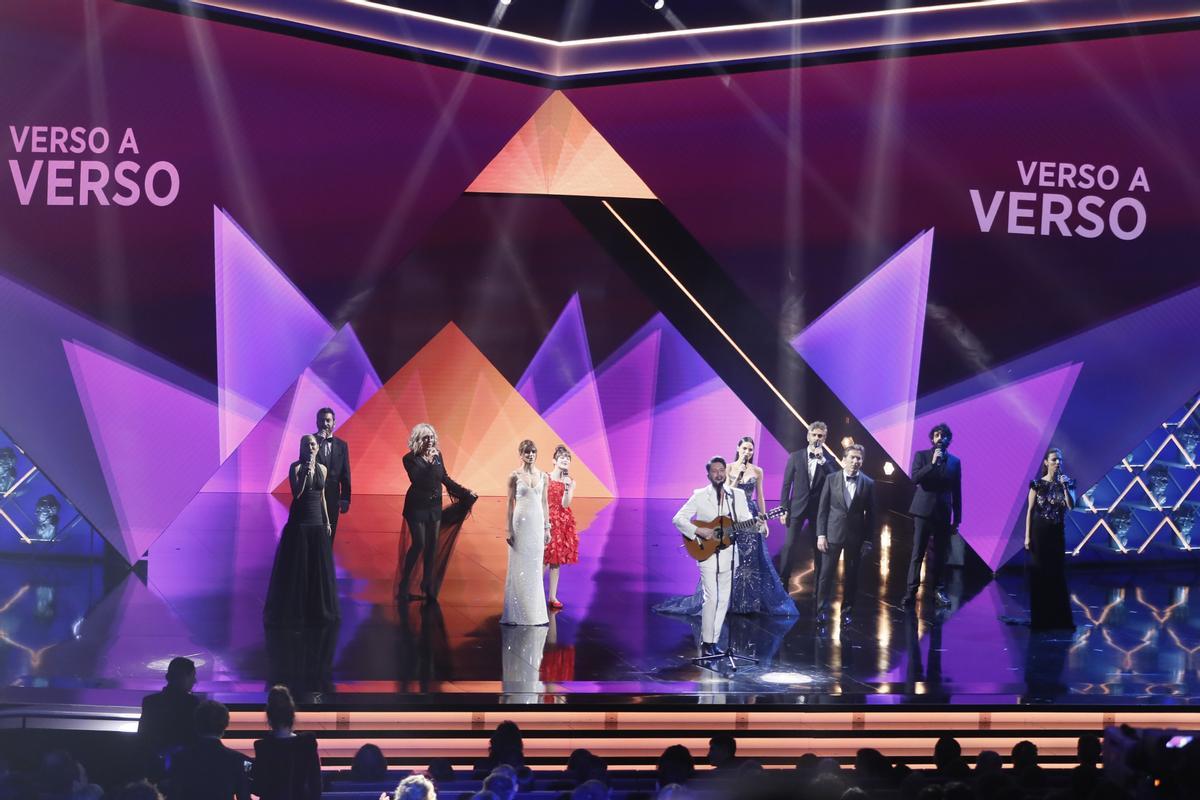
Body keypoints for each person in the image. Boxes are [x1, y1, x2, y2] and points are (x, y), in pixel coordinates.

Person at [671, 457, 761, 656]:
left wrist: (755, 523)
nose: (719, 474)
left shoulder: (736, 495)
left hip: (728, 553)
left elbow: (745, 520)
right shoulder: (700, 495)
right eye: (715, 471)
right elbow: (678, 519)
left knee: (723, 600)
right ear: (709, 475)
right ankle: (706, 641)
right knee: (711, 598)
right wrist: (698, 531)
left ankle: (712, 642)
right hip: (706, 552)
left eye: (721, 470)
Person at [263, 434, 340, 626]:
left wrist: (328, 521)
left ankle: (315, 607)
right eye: (307, 445)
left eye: (313, 444)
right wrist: (305, 474)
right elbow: (296, 494)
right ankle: (297, 607)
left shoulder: (322, 468)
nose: (311, 447)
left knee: (316, 566)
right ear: (302, 448)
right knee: (299, 566)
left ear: (317, 447)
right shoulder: (295, 467)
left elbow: (322, 496)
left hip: (317, 521)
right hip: (300, 521)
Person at [399, 423, 476, 602]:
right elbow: (417, 479)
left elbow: (444, 478)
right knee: (419, 543)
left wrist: (465, 492)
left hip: (434, 506)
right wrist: (431, 463)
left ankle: (427, 585)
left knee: (432, 546)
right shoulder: (409, 458)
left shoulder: (438, 455)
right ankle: (404, 584)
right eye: (426, 437)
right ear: (418, 440)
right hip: (416, 506)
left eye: (432, 437)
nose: (430, 440)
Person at [726, 436, 796, 617]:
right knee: (730, 557)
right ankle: (727, 601)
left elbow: (761, 496)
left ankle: (747, 602)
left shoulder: (757, 471)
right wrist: (738, 474)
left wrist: (763, 521)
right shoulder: (728, 467)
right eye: (744, 449)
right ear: (738, 448)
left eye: (750, 449)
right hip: (731, 514)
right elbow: (727, 492)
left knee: (749, 559)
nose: (747, 452)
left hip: (750, 514)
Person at [815, 444, 877, 627]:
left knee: (852, 577)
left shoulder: (869, 483)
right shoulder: (831, 479)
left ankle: (847, 612)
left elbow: (872, 515)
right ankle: (821, 611)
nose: (855, 461)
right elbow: (823, 509)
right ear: (844, 460)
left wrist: (867, 540)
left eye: (859, 458)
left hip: (855, 538)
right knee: (826, 575)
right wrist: (821, 534)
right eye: (852, 457)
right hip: (832, 534)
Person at [903, 423, 961, 609]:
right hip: (922, 512)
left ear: (949, 440)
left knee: (941, 554)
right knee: (917, 553)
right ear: (931, 438)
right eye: (937, 435)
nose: (940, 438)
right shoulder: (922, 456)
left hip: (943, 513)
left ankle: (938, 590)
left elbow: (957, 490)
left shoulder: (954, 461)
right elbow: (915, 479)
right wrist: (932, 464)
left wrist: (957, 518)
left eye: (944, 435)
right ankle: (911, 591)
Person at [778, 422, 838, 592]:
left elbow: (834, 480)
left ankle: (819, 586)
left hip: (818, 510)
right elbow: (786, 484)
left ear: (825, 439)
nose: (817, 438)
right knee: (789, 546)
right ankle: (783, 583)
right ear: (808, 436)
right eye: (814, 435)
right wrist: (784, 508)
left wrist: (823, 460)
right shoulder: (795, 456)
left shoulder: (829, 460)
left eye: (820, 436)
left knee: (818, 548)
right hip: (796, 507)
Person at [1025, 447, 1076, 631]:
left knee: (1056, 574)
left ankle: (1059, 619)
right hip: (1039, 533)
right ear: (1046, 462)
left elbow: (1071, 506)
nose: (1058, 462)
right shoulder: (1037, 484)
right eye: (1054, 459)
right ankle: (1040, 620)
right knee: (1040, 574)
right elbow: (1030, 511)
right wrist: (1027, 536)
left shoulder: (1068, 483)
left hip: (1056, 533)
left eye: (1060, 460)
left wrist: (1065, 487)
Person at [502, 440, 550, 626]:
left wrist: (548, 527)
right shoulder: (514, 476)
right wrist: (508, 528)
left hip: (537, 524)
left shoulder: (543, 476)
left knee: (535, 566)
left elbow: (544, 503)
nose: (530, 455)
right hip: (520, 524)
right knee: (518, 566)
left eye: (533, 452)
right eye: (527, 452)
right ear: (520, 454)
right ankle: (516, 612)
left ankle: (534, 613)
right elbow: (509, 503)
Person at [165, 700, 250, 800]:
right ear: (225, 725)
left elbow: (174, 795)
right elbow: (244, 796)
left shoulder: (179, 758)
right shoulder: (238, 760)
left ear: (197, 725)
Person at [251, 685, 321, 800]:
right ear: (292, 714)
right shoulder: (307, 743)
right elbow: (315, 785)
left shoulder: (263, 747)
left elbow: (259, 788)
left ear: (269, 716)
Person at [138, 656, 200, 778]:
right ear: (184, 677)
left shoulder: (150, 702)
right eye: (193, 676)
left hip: (154, 768)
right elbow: (195, 739)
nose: (195, 681)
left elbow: (143, 735)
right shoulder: (193, 704)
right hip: (184, 769)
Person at [544, 445, 579, 609]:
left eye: (567, 458)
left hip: (561, 521)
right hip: (546, 519)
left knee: (555, 560)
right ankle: (533, 594)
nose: (565, 460)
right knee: (542, 558)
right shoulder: (545, 477)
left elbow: (566, 503)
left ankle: (552, 596)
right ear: (554, 461)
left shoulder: (570, 481)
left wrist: (566, 488)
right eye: (562, 457)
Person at [314, 408, 351, 543]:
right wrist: (317, 442)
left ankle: (326, 562)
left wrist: (346, 498)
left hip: (333, 497)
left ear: (334, 423)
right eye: (322, 420)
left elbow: (345, 474)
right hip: (313, 496)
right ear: (317, 422)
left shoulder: (342, 445)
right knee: (314, 535)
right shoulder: (310, 442)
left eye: (328, 420)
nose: (325, 423)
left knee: (330, 535)